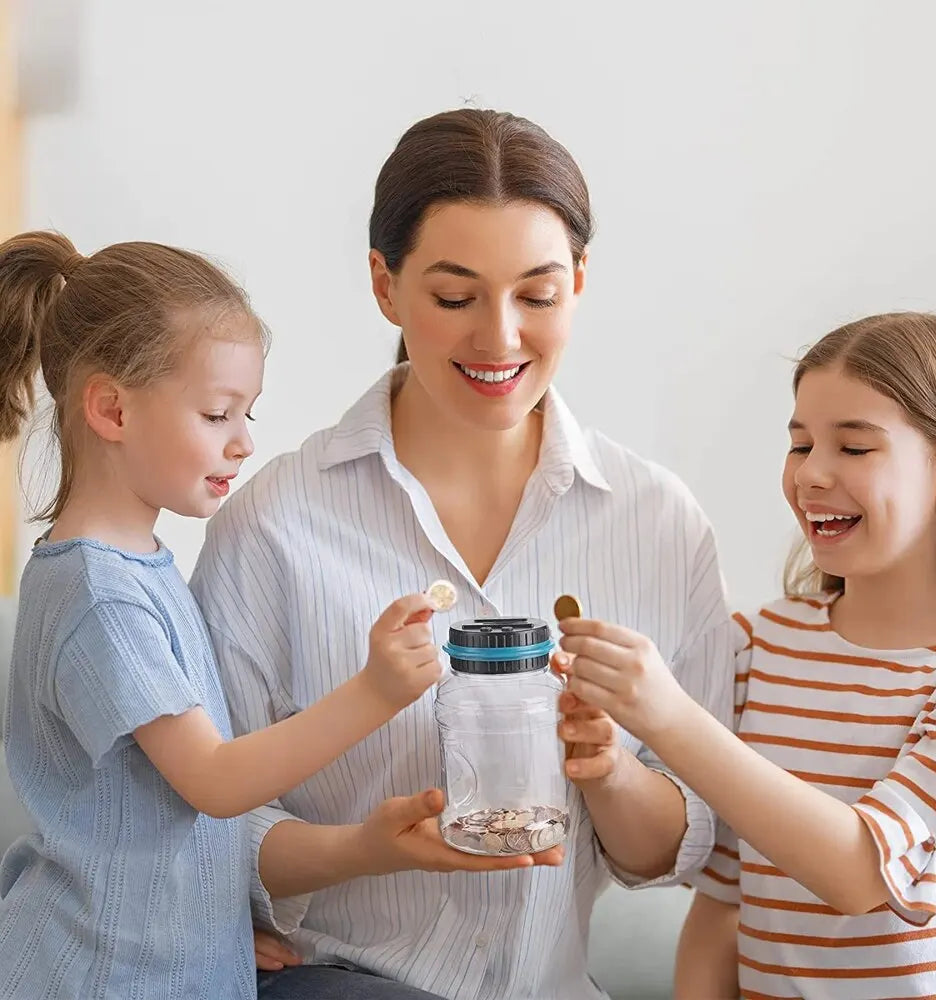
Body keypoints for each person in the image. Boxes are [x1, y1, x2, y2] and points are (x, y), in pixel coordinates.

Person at [190, 108, 735, 1000]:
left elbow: (674, 851)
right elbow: (212, 825)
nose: (501, 339)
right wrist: (362, 850)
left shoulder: (658, 523)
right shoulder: (276, 525)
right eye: (455, 298)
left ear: (580, 284)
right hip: (338, 982)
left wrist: (607, 771)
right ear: (384, 285)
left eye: (538, 295)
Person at [0, 232, 469, 1000]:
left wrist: (211, 921)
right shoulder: (101, 598)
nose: (245, 443)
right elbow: (213, 782)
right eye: (218, 414)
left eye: (248, 413)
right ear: (112, 408)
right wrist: (375, 693)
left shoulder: (137, 566)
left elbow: (146, 822)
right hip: (99, 977)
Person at [557, 313, 936, 998]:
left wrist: (669, 718)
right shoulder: (761, 648)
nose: (812, 474)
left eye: (854, 448)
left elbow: (862, 873)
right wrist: (613, 758)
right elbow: (726, 901)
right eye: (799, 445)